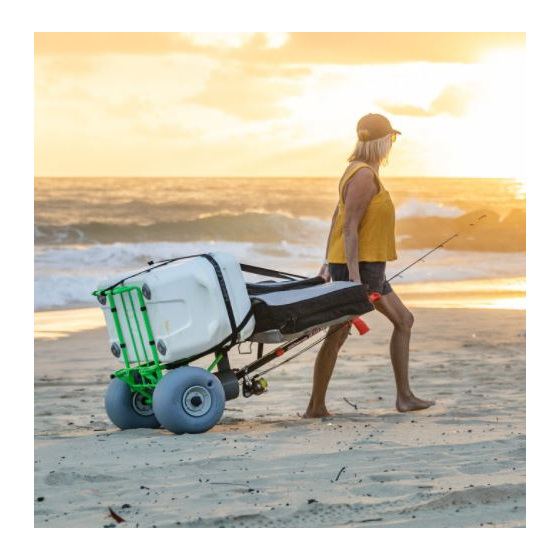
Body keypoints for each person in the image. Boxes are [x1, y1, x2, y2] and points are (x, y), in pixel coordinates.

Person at [304, 113, 435, 418]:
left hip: (364, 266)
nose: (393, 145)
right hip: (360, 268)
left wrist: (327, 261)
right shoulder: (363, 175)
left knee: (402, 321)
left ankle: (403, 396)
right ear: (382, 141)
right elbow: (348, 226)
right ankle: (316, 406)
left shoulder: (358, 170)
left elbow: (337, 218)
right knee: (339, 333)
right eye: (392, 139)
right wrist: (351, 277)